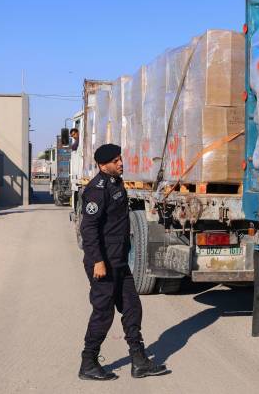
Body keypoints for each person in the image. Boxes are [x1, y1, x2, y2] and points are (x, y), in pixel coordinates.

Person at [79, 143, 168, 381]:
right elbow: (88, 229)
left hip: (118, 260)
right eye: (116, 160)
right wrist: (98, 261)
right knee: (103, 312)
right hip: (103, 263)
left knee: (132, 307)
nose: (121, 163)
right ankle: (88, 361)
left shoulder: (116, 183)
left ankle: (139, 361)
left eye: (121, 159)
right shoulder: (96, 191)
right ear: (102, 164)